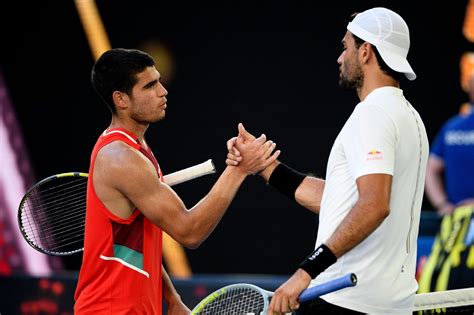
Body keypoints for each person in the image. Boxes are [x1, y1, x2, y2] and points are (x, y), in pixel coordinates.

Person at [227, 7, 428, 314]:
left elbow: (373, 205)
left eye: (345, 47)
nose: (339, 57)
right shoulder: (408, 117)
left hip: (347, 301)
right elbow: (343, 202)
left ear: (365, 52)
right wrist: (265, 167)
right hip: (386, 304)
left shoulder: (373, 114)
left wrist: (306, 272)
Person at [73, 48, 280, 314]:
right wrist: (238, 171)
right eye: (149, 86)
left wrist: (171, 299)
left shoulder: (136, 148)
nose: (163, 91)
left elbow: (133, 246)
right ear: (121, 99)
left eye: (159, 80)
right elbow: (189, 231)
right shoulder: (121, 158)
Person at [425, 74, 474, 216]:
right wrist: (442, 205)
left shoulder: (452, 127)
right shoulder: (452, 127)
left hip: (457, 218)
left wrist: (442, 205)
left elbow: (430, 169)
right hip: (457, 217)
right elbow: (431, 169)